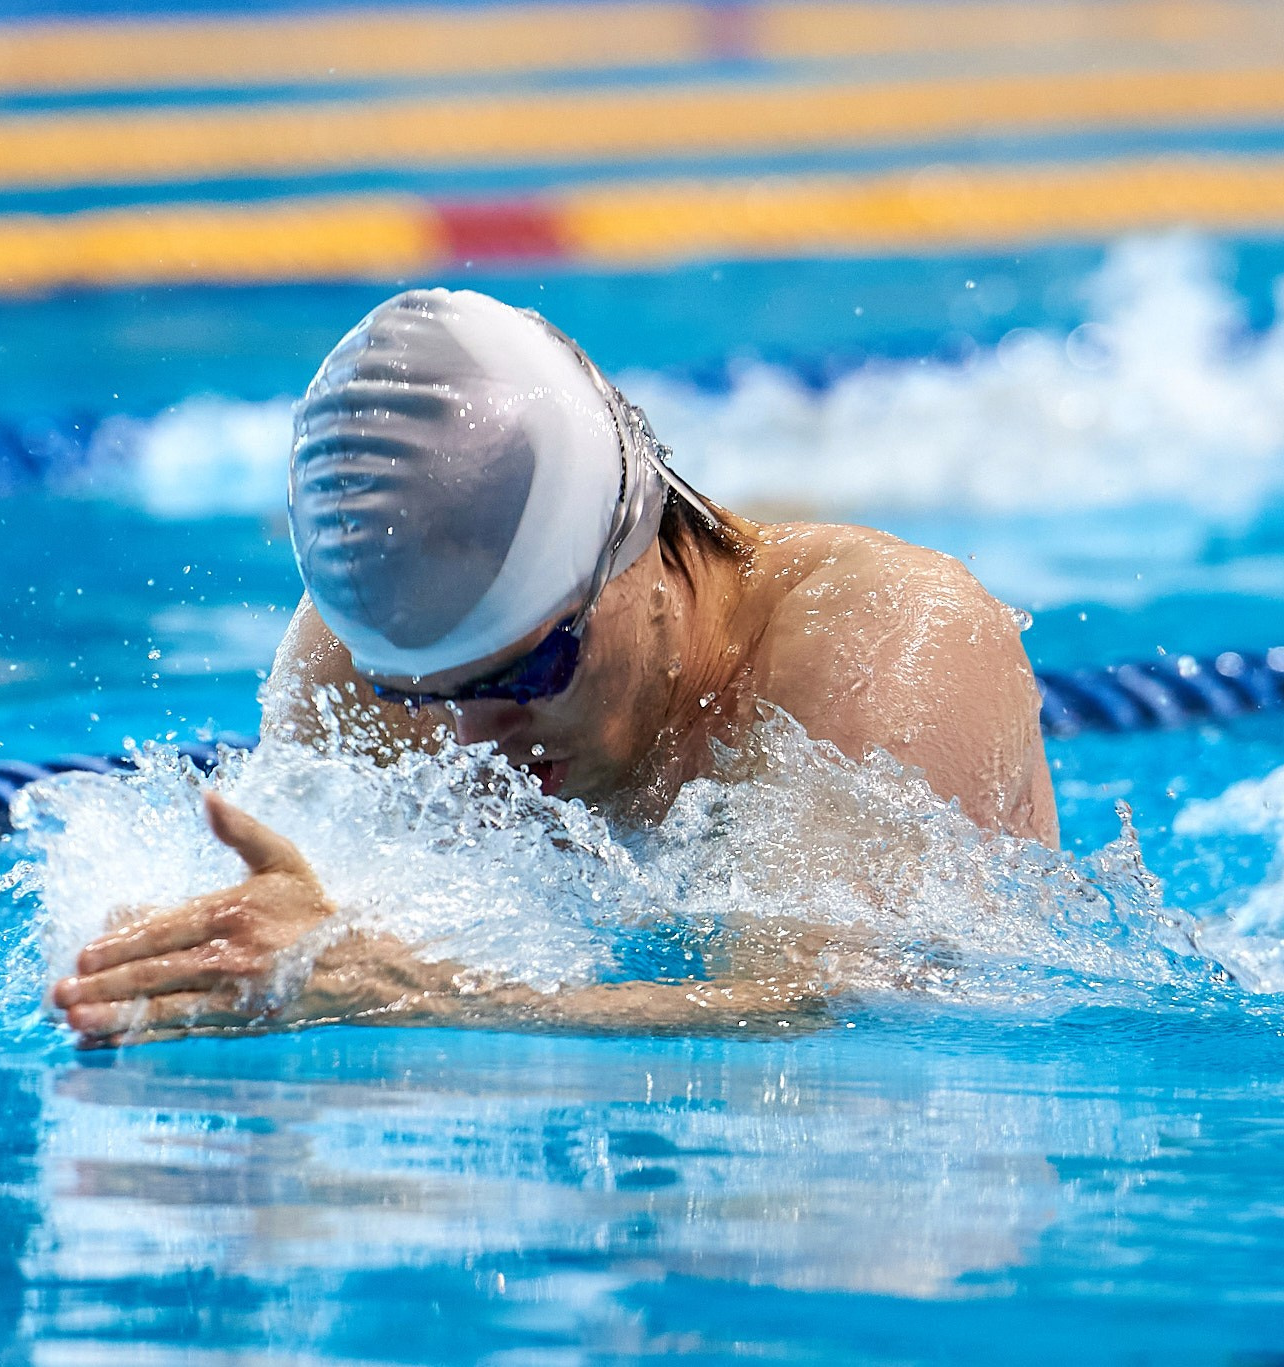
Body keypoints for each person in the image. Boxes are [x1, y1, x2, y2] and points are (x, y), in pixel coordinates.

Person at [53, 289, 1058, 1046]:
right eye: (423, 694)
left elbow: (811, 1016)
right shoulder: (360, 656)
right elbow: (302, 950)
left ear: (637, 544)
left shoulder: (879, 641)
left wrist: (410, 987)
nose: (469, 740)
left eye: (530, 668)